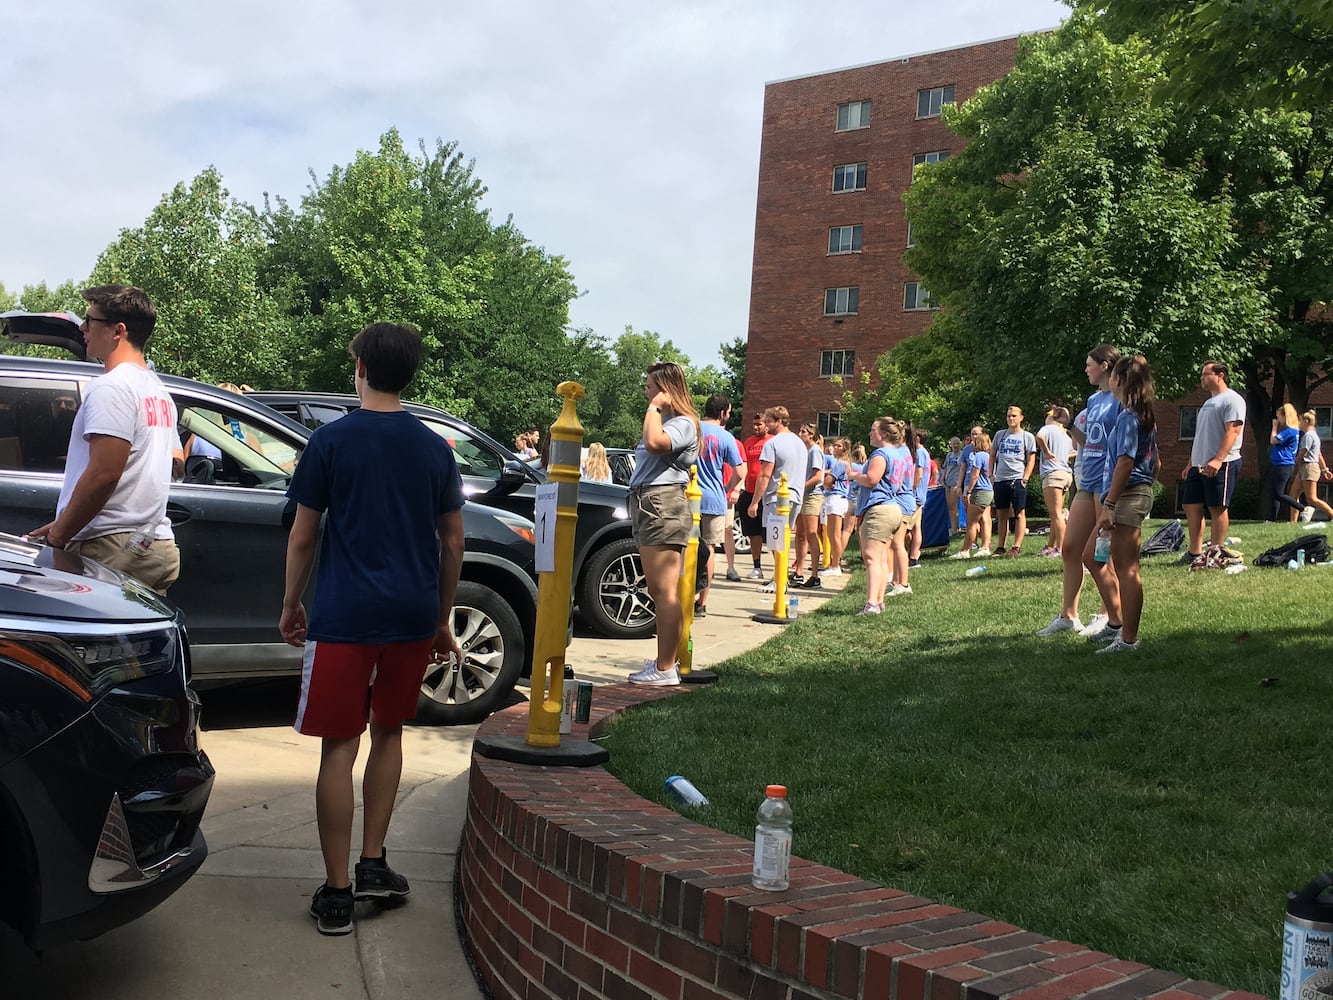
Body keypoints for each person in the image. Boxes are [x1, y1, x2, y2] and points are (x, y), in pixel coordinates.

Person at [279, 322, 466, 936]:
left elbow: (304, 534)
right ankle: (373, 862)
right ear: (408, 374)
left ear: (359, 368)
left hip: (345, 616)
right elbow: (453, 540)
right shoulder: (435, 449)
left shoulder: (328, 443)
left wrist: (290, 604)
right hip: (411, 614)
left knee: (340, 747)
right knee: (389, 732)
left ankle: (336, 894)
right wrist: (441, 618)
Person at [28, 285, 181, 594]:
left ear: (117, 331)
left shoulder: (110, 387)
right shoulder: (157, 391)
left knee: (88, 641)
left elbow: (104, 474)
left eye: (89, 320)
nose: (83, 328)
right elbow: (172, 461)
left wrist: (58, 537)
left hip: (110, 547)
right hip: (150, 541)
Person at [1037, 345, 1123, 638]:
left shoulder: (1121, 400)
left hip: (1106, 480)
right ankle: (1068, 616)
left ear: (1106, 365)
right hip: (1087, 480)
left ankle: (1106, 615)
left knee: (1102, 552)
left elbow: (1121, 443)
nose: (1086, 369)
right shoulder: (1094, 400)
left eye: (1090, 364)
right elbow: (1089, 442)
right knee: (1071, 547)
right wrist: (1070, 423)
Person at [626, 362, 700, 686]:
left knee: (665, 591)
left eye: (651, 386)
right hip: (648, 503)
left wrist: (655, 407)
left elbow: (656, 444)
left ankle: (666, 667)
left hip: (662, 504)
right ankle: (662, 661)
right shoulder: (668, 421)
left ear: (667, 390)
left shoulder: (683, 423)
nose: (647, 392)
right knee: (657, 590)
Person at [1095, 355, 1159, 653]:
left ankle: (1129, 639)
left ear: (1117, 380)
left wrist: (1109, 503)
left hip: (1125, 495)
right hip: (1134, 492)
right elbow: (1156, 463)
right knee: (1096, 557)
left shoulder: (1128, 417)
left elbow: (1124, 462)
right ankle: (1118, 626)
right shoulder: (1143, 416)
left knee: (1127, 569)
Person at [1179, 361, 1246, 567]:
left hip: (1223, 462)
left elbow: (1232, 431)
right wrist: (1191, 462)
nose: (1202, 378)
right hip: (1199, 464)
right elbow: (1202, 436)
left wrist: (1217, 459)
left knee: (1217, 507)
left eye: (1205, 374)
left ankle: (1215, 552)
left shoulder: (1232, 399)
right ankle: (1195, 552)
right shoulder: (1209, 402)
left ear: (1220, 375)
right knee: (1190, 505)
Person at [850, 418, 913, 613]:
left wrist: (854, 476)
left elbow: (871, 479)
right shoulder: (899, 455)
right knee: (882, 558)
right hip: (894, 508)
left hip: (879, 509)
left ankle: (872, 603)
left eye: (873, 429)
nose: (870, 433)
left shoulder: (880, 454)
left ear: (884, 434)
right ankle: (878, 601)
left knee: (871, 558)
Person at [746, 407, 808, 591]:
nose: (766, 424)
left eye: (769, 421)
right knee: (784, 538)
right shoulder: (799, 443)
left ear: (779, 421)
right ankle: (780, 577)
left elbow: (765, 475)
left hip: (777, 497)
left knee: (776, 540)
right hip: (795, 496)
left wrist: (754, 502)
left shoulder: (773, 443)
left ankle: (779, 579)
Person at [694, 394, 744, 617]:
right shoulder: (725, 437)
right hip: (714, 499)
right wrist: (727, 488)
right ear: (723, 413)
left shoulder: (692, 429)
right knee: (710, 549)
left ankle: (682, 593)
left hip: (688, 496)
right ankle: (702, 602)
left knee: (684, 547)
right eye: (729, 412)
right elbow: (740, 471)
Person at [990, 406, 1037, 556]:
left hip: (1017, 478)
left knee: (1019, 513)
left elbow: (1031, 459)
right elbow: (992, 454)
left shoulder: (1027, 436)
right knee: (1001, 514)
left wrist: (1025, 478)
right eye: (1009, 416)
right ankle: (1000, 546)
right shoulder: (1000, 435)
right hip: (1001, 479)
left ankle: (1016, 546)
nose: (1011, 419)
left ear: (1021, 418)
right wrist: (991, 474)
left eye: (1014, 416)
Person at [1036, 407, 1075, 557]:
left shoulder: (1048, 428)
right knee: (1056, 514)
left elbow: (1039, 437)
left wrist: (1046, 451)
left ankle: (1061, 548)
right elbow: (1073, 451)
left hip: (1052, 474)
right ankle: (1051, 546)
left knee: (1056, 514)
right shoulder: (1065, 435)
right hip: (1066, 474)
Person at [737, 413, 771, 580]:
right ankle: (757, 566)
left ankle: (779, 569)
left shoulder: (772, 441)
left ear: (767, 425)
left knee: (771, 533)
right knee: (753, 533)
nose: (756, 427)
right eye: (754, 424)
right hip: (750, 491)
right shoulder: (748, 442)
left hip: (768, 494)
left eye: (759, 424)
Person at [951, 429, 993, 558]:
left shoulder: (979, 456)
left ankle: (965, 551)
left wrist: (968, 491)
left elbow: (974, 475)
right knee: (984, 519)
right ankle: (985, 547)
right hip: (988, 490)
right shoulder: (989, 456)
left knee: (971, 523)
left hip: (979, 491)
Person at [795, 423, 826, 587]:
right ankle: (798, 571)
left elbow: (818, 476)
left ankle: (815, 575)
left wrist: (801, 486)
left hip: (812, 496)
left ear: (812, 435)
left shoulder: (815, 451)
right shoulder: (804, 451)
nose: (800, 433)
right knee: (800, 534)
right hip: (802, 496)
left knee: (812, 533)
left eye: (803, 431)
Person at [1293, 410, 1333, 522]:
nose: (1298, 424)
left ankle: (1332, 514)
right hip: (1304, 468)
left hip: (1309, 468)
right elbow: (1319, 454)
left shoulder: (1309, 436)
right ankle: (1292, 522)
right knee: (1293, 496)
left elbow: (1303, 452)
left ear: (1306, 421)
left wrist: (1292, 463)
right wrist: (1325, 470)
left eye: (1300, 421)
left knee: (1312, 498)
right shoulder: (1313, 435)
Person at [821, 437, 853, 576]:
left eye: (839, 446)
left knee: (834, 535)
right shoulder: (844, 463)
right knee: (832, 534)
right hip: (838, 498)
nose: (835, 448)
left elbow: (828, 481)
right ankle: (835, 564)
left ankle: (835, 565)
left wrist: (826, 482)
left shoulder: (841, 463)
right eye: (835, 445)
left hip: (836, 498)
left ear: (845, 449)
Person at [1267, 404, 1304, 522]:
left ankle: (1303, 508)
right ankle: (1271, 519)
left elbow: (1273, 440)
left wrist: (1274, 426)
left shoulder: (1290, 431)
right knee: (1274, 493)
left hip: (1283, 465)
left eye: (1279, 417)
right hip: (1279, 464)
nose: (1278, 420)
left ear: (1286, 416)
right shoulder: (1292, 430)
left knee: (1278, 493)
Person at [906, 425, 931, 568]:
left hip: (915, 496)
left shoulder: (920, 453)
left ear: (917, 438)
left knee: (908, 528)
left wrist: (910, 489)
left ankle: (913, 555)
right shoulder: (924, 453)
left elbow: (919, 474)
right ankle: (913, 556)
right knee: (916, 527)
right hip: (919, 496)